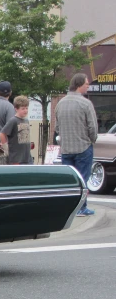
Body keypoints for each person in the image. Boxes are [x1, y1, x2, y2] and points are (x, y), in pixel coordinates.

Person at [55, 73, 99, 216]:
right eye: (86, 84)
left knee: (70, 180)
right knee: (83, 179)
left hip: (66, 148)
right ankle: (81, 207)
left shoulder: (60, 103)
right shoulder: (86, 103)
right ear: (79, 85)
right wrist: (92, 139)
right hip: (83, 147)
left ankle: (70, 208)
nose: (88, 86)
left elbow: (57, 128)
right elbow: (93, 127)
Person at [0, 96, 31, 165]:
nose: (25, 111)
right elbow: (2, 134)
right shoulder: (13, 120)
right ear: (16, 109)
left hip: (27, 157)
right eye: (23, 109)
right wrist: (6, 148)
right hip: (16, 158)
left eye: (26, 108)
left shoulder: (26, 120)